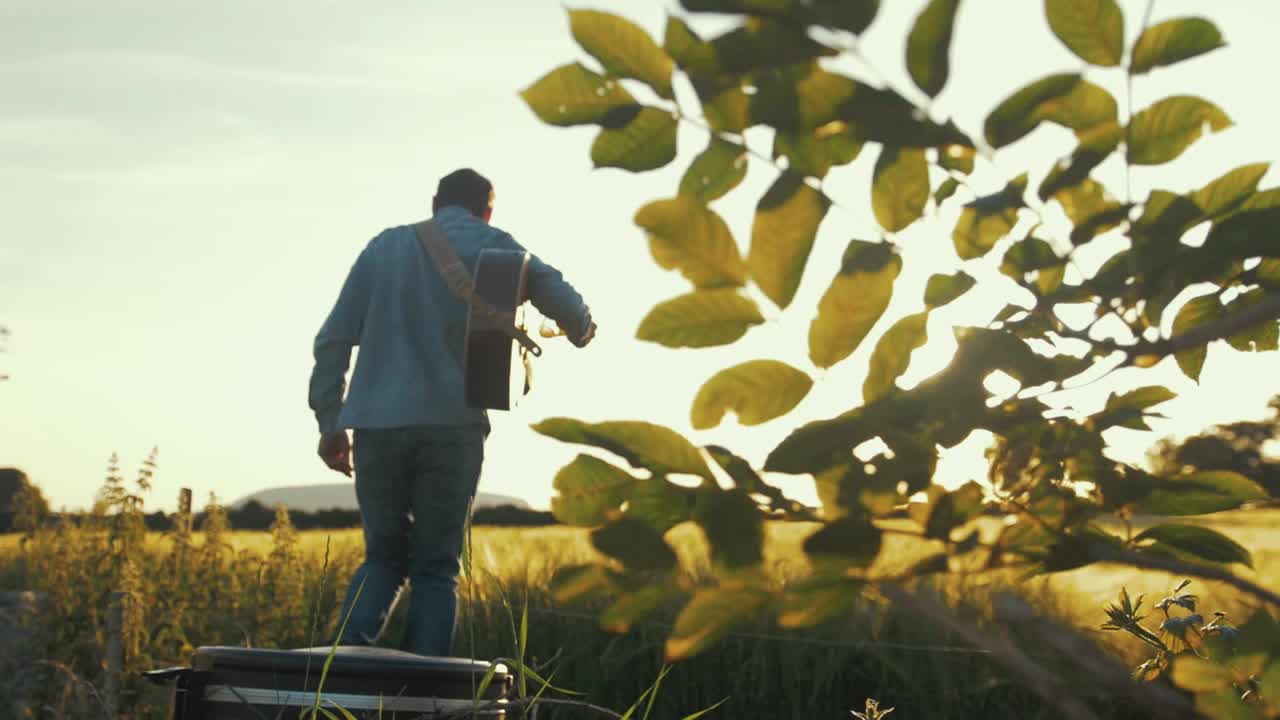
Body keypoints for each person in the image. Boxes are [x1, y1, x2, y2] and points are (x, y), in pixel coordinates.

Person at [307, 168, 596, 656]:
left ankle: (338, 681)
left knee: (382, 559)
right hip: (453, 428)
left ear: (435, 202)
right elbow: (569, 306)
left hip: (376, 426)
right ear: (487, 210)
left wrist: (330, 423)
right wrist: (581, 329)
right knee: (436, 569)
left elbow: (332, 340)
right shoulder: (498, 245)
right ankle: (427, 695)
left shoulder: (384, 248)